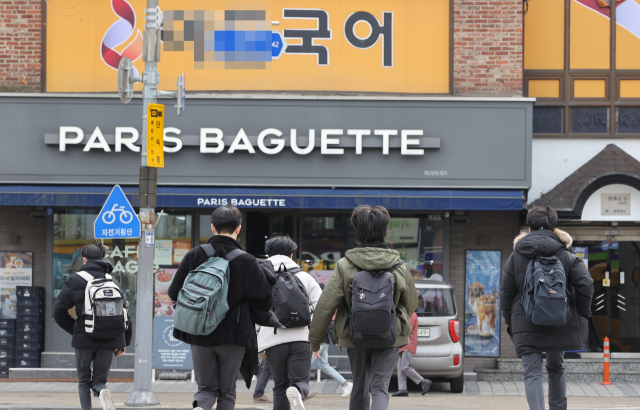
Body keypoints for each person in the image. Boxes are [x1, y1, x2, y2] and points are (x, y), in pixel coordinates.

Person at [309, 205, 419, 410]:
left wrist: (315, 341)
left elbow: (325, 306)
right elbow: (412, 303)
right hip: (389, 336)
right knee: (379, 388)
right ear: (385, 231)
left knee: (359, 387)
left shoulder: (345, 265)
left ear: (358, 232)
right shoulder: (399, 265)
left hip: (354, 334)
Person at [168, 205, 273, 410]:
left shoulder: (195, 255)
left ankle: (200, 407)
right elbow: (265, 300)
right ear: (239, 228)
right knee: (227, 391)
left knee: (206, 389)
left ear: (213, 227)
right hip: (233, 336)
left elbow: (173, 293)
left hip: (199, 333)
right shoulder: (247, 261)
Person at [501, 206, 594, 410]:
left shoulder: (516, 257)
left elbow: (506, 294)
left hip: (526, 322)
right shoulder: (565, 255)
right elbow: (586, 284)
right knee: (556, 367)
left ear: (529, 228)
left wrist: (511, 323)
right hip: (559, 320)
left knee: (532, 373)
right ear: (554, 227)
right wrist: (581, 312)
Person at [54, 241, 132, 410]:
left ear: (84, 260)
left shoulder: (74, 280)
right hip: (109, 338)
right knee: (99, 380)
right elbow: (126, 313)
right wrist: (123, 341)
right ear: (103, 258)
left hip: (84, 339)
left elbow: (58, 312)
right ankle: (102, 390)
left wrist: (76, 330)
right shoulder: (113, 281)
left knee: (83, 380)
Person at [257, 234, 322, 410]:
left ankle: (291, 392)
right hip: (301, 338)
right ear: (292, 255)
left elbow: (254, 310)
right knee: (301, 381)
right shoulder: (305, 277)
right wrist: (314, 335)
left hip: (273, 340)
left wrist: (258, 338)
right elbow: (321, 308)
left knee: (279, 387)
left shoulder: (261, 279)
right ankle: (298, 392)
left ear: (268, 256)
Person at [312, 283, 353, 398]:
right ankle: (345, 383)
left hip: (318, 343)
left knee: (303, 367)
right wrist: (334, 340)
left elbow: (327, 323)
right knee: (325, 366)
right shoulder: (324, 304)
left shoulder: (317, 304)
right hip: (323, 342)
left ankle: (300, 391)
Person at [392, 311, 431, 397]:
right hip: (402, 345)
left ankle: (423, 381)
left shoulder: (412, 315)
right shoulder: (406, 314)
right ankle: (402, 389)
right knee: (400, 368)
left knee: (405, 367)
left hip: (408, 345)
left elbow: (406, 329)